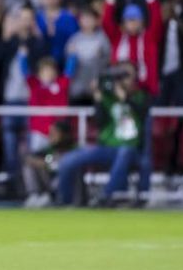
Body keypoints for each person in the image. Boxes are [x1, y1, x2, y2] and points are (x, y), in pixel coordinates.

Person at [57, 61, 152, 207]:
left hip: (132, 150)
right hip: (107, 148)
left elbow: (142, 112)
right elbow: (100, 122)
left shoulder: (141, 97)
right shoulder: (108, 98)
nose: (123, 80)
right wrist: (98, 97)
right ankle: (65, 200)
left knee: (125, 152)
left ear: (135, 78)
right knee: (69, 159)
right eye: (120, 76)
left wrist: (125, 98)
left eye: (126, 75)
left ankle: (107, 196)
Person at [0, 7, 48, 186]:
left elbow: (43, 65)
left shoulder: (37, 43)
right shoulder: (10, 41)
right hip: (10, 98)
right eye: (21, 18)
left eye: (28, 18)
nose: (24, 22)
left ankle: (29, 182)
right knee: (9, 141)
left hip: (30, 100)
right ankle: (11, 180)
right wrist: (6, 37)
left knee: (31, 144)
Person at [102, 0, 163, 96]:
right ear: (124, 23)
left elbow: (157, 19)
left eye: (136, 19)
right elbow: (106, 22)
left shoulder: (149, 38)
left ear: (142, 22)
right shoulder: (118, 38)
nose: (133, 23)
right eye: (129, 20)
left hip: (145, 92)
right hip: (120, 92)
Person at [18, 52, 76, 154]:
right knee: (36, 156)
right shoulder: (34, 84)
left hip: (57, 132)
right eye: (45, 71)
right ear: (39, 73)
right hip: (38, 131)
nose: (48, 73)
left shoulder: (61, 84)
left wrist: (72, 55)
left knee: (56, 157)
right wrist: (22, 56)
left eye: (51, 70)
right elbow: (25, 72)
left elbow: (69, 72)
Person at [22, 121, 74, 208]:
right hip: (50, 182)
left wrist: (44, 164)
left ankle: (51, 197)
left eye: (54, 133)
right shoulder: (50, 151)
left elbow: (57, 166)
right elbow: (47, 161)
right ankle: (35, 195)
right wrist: (40, 162)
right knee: (31, 164)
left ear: (65, 135)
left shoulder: (73, 151)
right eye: (50, 133)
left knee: (42, 164)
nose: (50, 136)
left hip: (63, 187)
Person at [66, 7, 111, 105]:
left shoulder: (103, 39)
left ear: (96, 20)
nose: (87, 21)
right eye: (84, 18)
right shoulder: (74, 40)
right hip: (77, 87)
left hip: (96, 87)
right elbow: (68, 66)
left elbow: (107, 61)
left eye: (90, 18)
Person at [35, 0, 79, 67]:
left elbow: (76, 41)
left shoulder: (69, 18)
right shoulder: (35, 19)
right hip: (40, 69)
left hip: (65, 68)